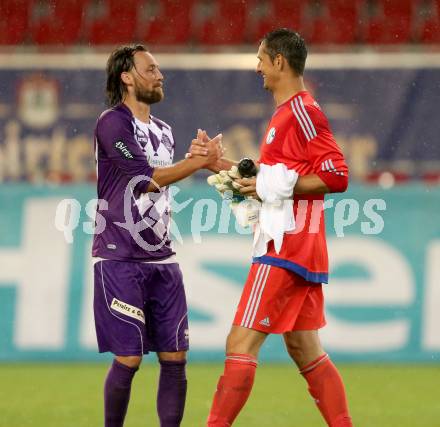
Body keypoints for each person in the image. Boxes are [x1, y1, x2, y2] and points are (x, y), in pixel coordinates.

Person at [194, 29, 353, 426]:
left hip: (287, 246)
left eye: (262, 58)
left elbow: (337, 175)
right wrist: (217, 164)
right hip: (302, 246)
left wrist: (273, 184)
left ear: (279, 61)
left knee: (240, 342)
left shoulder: (302, 112)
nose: (258, 67)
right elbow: (269, 183)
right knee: (304, 347)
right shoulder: (286, 114)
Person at [92, 44, 221, 427]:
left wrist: (199, 159)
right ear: (127, 78)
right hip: (119, 256)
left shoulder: (164, 131)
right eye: (150, 69)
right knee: (129, 358)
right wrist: (196, 162)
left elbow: (166, 179)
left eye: (159, 68)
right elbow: (145, 180)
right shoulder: (112, 123)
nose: (159, 75)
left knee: (175, 357)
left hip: (162, 259)